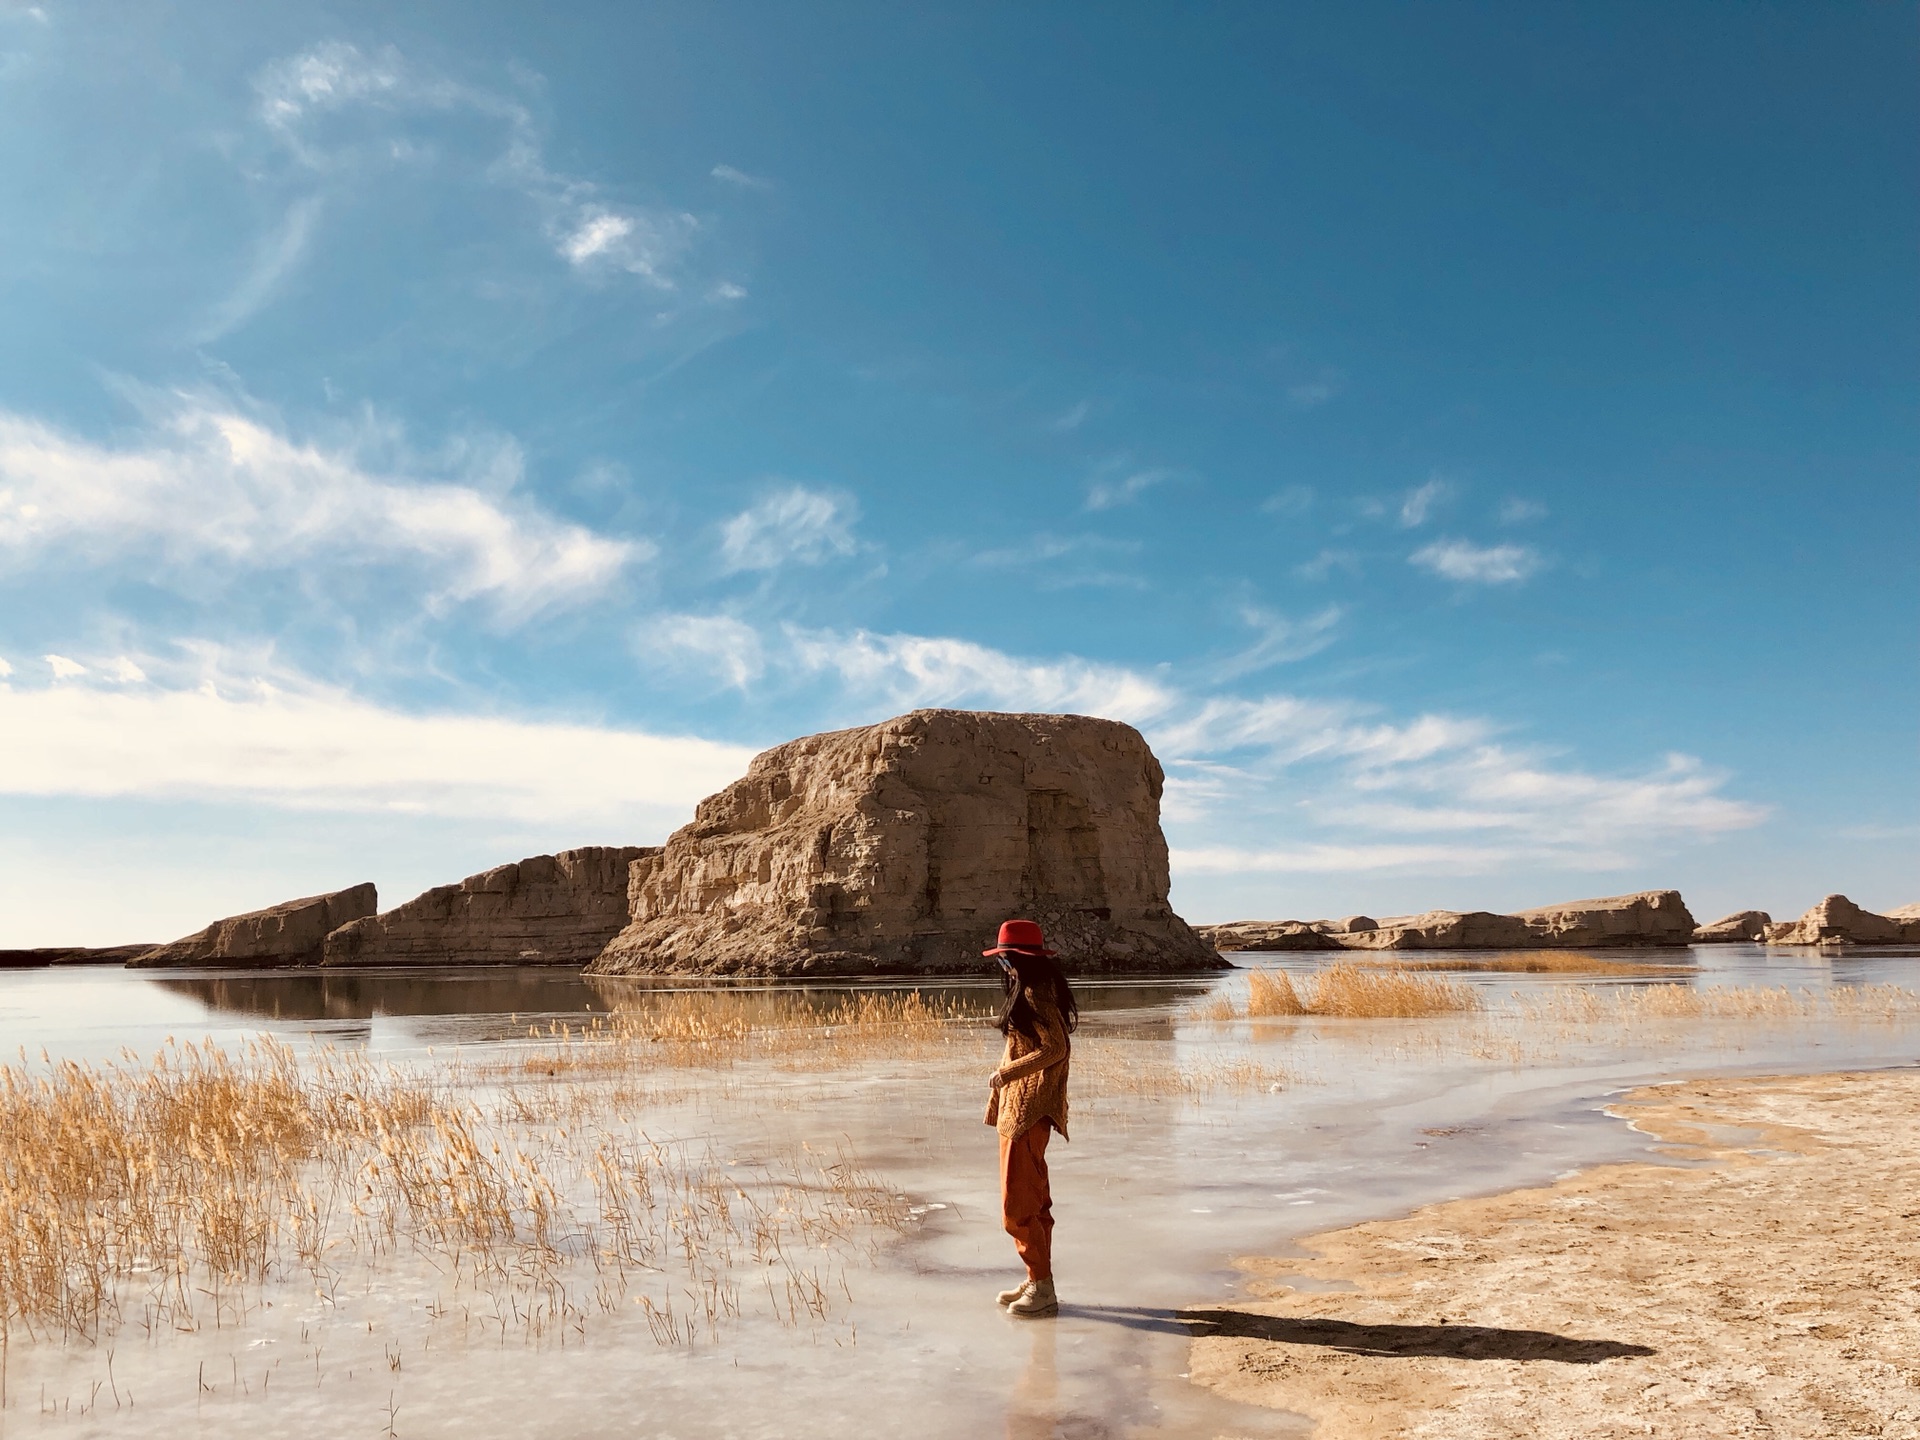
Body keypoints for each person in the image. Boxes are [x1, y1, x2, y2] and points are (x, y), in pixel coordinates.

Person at [983, 918, 1078, 1318]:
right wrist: (999, 1090)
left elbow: (1056, 1048)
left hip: (1028, 1111)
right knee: (1033, 1199)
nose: (1002, 966)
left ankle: (1042, 1287)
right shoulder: (1034, 989)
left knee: (1018, 1204)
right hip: (1020, 1109)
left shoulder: (1036, 992)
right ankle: (1037, 1278)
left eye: (1004, 959)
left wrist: (1006, 1075)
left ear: (1015, 959)